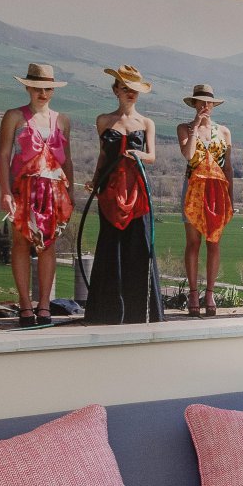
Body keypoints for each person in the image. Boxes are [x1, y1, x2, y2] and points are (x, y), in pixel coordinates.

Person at [0, 63, 74, 328]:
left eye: (48, 89)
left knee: (48, 245)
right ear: (28, 88)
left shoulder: (62, 120)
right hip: (23, 186)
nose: (42, 93)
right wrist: (5, 190)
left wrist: (71, 191)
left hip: (53, 189)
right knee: (20, 242)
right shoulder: (14, 116)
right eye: (37, 88)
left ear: (53, 91)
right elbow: (4, 155)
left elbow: (68, 159)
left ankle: (44, 304)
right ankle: (25, 304)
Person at [84, 64, 163, 324]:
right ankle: (107, 312)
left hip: (138, 192)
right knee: (110, 247)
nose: (131, 93)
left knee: (139, 247)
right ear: (116, 90)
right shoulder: (103, 121)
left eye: (135, 90)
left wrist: (138, 154)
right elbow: (103, 155)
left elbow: (151, 156)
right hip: (110, 192)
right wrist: (95, 181)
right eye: (126, 88)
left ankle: (140, 312)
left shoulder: (147, 123)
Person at [176, 84, 234, 317]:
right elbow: (188, 155)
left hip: (217, 191)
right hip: (193, 188)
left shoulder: (224, 132)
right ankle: (193, 293)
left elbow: (228, 167)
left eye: (209, 102)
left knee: (214, 242)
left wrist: (231, 197)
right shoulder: (184, 128)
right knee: (193, 242)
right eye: (200, 102)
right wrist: (195, 127)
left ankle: (210, 293)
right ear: (194, 104)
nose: (205, 105)